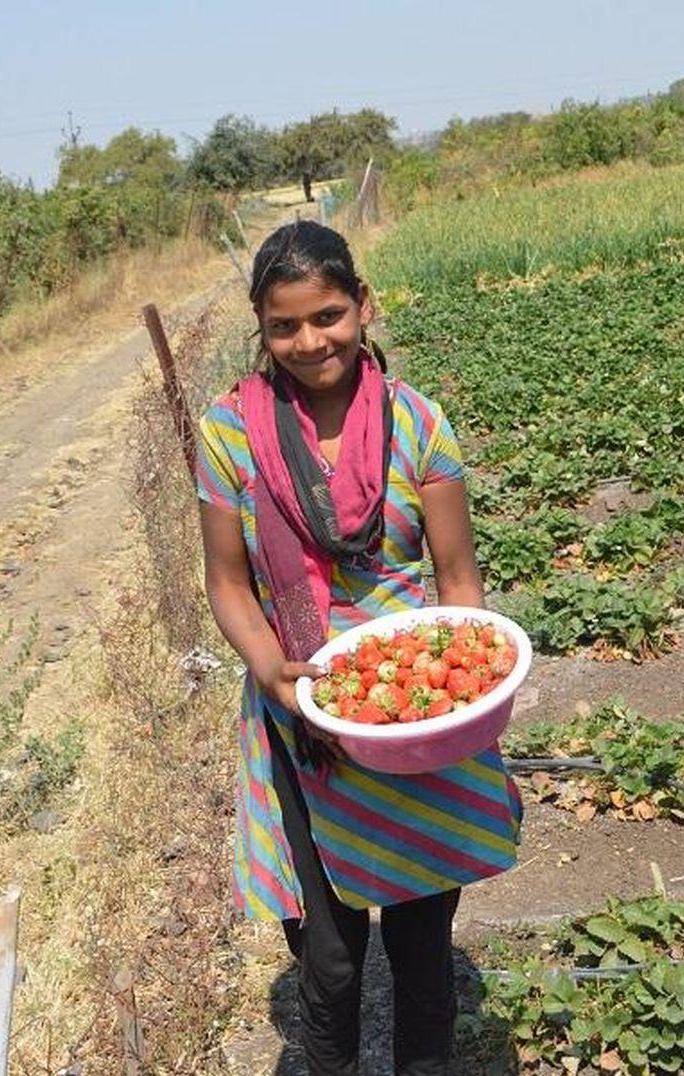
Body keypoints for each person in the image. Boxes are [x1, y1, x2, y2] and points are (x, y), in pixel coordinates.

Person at [196, 219, 522, 1076]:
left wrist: (462, 692)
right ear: (262, 329)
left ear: (364, 307)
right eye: (284, 326)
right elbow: (229, 583)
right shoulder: (230, 434)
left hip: (412, 712)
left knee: (422, 949)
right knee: (331, 962)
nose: (310, 342)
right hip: (304, 720)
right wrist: (273, 668)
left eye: (329, 316)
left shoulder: (418, 424)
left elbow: (457, 582)